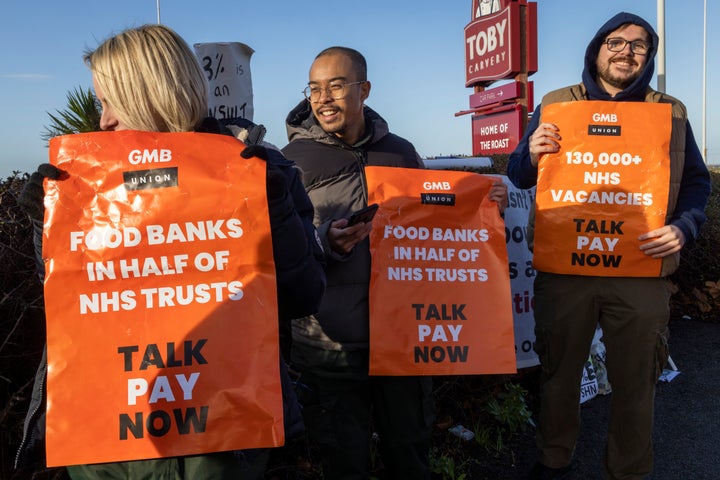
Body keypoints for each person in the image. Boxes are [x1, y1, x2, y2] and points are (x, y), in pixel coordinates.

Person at [15, 24, 325, 480]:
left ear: (151, 92)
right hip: (108, 435)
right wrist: (50, 225)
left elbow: (304, 296)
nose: (103, 120)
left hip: (220, 437)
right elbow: (78, 305)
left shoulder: (257, 167)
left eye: (109, 101)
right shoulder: (86, 183)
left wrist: (272, 209)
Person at [282, 46, 507, 480]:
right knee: (343, 462)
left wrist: (485, 202)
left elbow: (438, 223)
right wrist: (324, 241)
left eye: (335, 85)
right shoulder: (292, 161)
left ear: (364, 89)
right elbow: (278, 245)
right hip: (331, 345)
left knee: (409, 454)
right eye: (314, 89)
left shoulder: (402, 152)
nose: (323, 98)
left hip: (405, 337)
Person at [507, 12, 711, 480]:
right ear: (597, 48)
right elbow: (520, 175)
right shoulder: (557, 104)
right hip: (566, 271)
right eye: (616, 42)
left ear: (649, 56)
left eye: (639, 46)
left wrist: (684, 226)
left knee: (637, 381)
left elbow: (698, 183)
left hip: (642, 271)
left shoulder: (671, 110)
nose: (627, 52)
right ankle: (554, 459)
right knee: (558, 374)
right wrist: (530, 152)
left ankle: (629, 470)